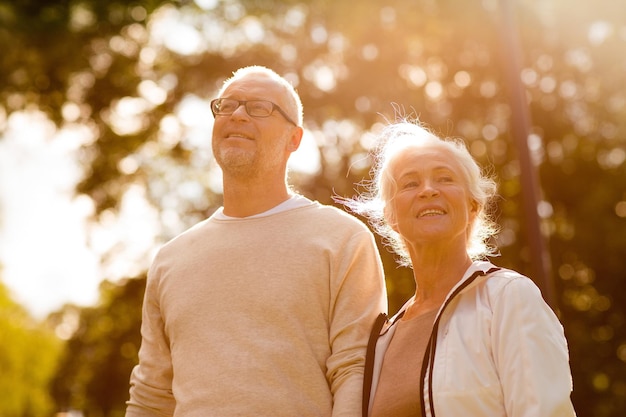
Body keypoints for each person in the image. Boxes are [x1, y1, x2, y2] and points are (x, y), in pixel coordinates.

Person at [125, 66, 387, 417]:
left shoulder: (342, 239)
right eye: (227, 105)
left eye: (259, 108)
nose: (237, 115)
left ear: (294, 139)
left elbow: (356, 371)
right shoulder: (170, 259)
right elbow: (151, 396)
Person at [341, 121, 576, 417]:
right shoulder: (381, 339)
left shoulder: (508, 298)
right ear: (391, 215)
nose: (427, 190)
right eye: (410, 183)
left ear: (472, 206)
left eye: (444, 178)